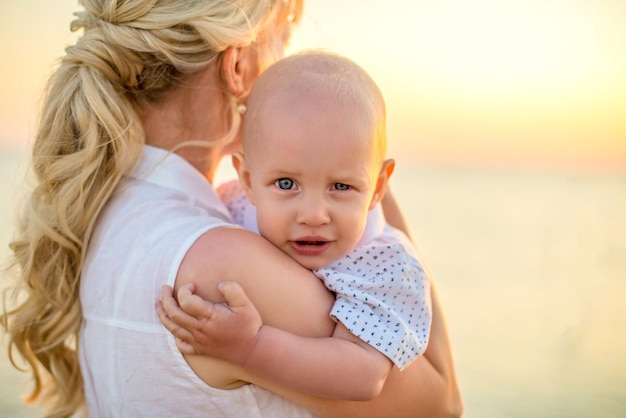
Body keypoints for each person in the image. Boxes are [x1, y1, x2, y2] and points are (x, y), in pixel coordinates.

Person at [0, 0, 462, 417]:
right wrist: (354, 173)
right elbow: (439, 405)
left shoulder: (109, 214)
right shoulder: (226, 265)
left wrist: (334, 156)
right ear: (239, 66)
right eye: (281, 42)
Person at [180, 50, 432, 400]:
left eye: (341, 187)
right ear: (248, 181)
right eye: (286, 184)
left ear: (377, 187)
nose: (314, 215)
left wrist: (250, 348)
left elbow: (362, 375)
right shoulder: (235, 205)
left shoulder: (384, 267)